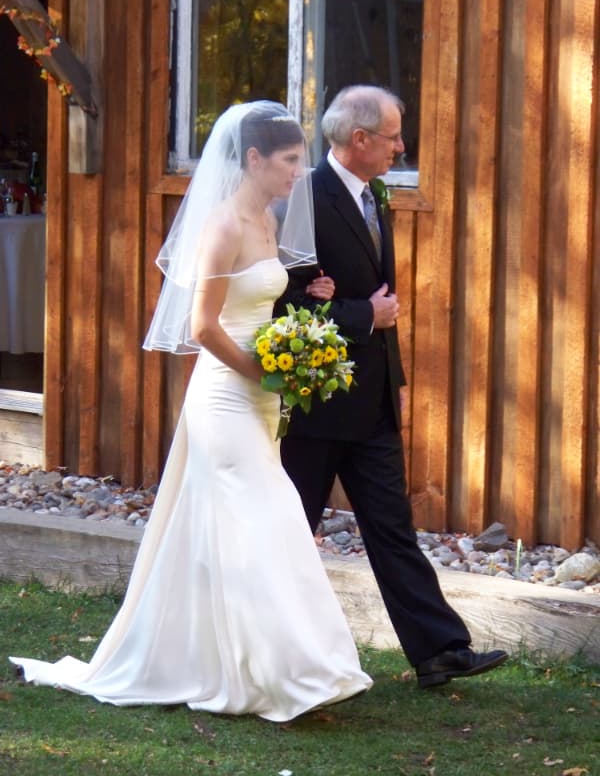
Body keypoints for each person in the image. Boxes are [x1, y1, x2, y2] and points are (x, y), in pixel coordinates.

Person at [10, 101, 372, 722]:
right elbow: (204, 326)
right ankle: (293, 671)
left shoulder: (267, 219)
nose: (297, 173)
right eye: (288, 161)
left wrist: (311, 305)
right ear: (253, 158)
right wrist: (265, 369)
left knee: (225, 529)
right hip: (225, 400)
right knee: (269, 518)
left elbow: (259, 300)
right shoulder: (224, 226)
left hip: (260, 400)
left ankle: (234, 661)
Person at [277, 85, 508, 689]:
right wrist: (359, 319)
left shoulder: (376, 193)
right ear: (359, 140)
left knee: (392, 526)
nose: (400, 147)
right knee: (292, 529)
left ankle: (440, 651)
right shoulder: (306, 196)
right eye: (392, 137)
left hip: (373, 400)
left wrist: (394, 380)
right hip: (317, 405)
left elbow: (388, 302)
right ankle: (258, 647)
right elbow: (284, 305)